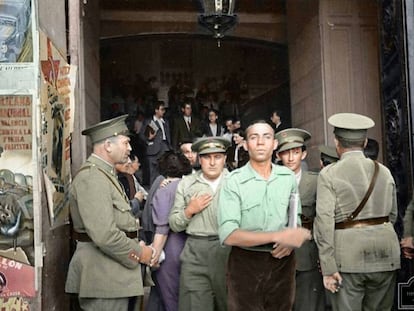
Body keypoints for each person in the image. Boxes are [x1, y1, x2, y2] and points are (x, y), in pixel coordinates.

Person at [218, 120, 311, 311]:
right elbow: (228, 234)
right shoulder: (233, 181)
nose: (260, 142)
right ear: (245, 144)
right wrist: (277, 236)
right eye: (254, 137)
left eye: (266, 137)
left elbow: (295, 218)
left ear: (275, 144)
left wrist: (290, 240)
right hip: (245, 263)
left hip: (282, 262)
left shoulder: (287, 178)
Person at [65, 115, 155, 311]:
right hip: (103, 276)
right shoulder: (93, 178)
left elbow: (120, 222)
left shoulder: (105, 175)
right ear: (108, 145)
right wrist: (140, 254)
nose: (130, 149)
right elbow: (104, 235)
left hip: (113, 276)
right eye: (126, 143)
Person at [314, 113, 400, 311]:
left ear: (337, 142)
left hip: (348, 257)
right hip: (385, 254)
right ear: (365, 141)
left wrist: (328, 267)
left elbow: (324, 223)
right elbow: (392, 214)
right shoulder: (384, 171)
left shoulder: (329, 174)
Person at [169, 137, 231, 311]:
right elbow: (174, 224)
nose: (212, 162)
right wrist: (189, 210)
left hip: (229, 251)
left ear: (225, 158)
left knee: (233, 303)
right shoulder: (186, 183)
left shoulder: (236, 182)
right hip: (196, 252)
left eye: (217, 156)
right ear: (199, 159)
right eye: (206, 157)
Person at [275, 128, 325, 311]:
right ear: (278, 155)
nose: (290, 158)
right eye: (285, 153)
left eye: (295, 152)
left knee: (308, 305)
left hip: (307, 253)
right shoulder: (269, 182)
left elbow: (324, 219)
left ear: (303, 154)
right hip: (276, 253)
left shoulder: (316, 182)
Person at [150, 151, 193, 311]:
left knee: (171, 300)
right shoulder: (191, 186)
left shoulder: (164, 191)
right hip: (190, 246)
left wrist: (153, 257)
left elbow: (162, 229)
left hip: (170, 249)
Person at [139, 101, 171, 186]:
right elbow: (142, 135)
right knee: (153, 172)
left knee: (165, 171)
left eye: (164, 110)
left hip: (165, 147)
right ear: (156, 110)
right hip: (153, 148)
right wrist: (148, 140)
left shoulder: (166, 122)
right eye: (162, 109)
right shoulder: (149, 121)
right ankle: (153, 191)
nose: (163, 111)